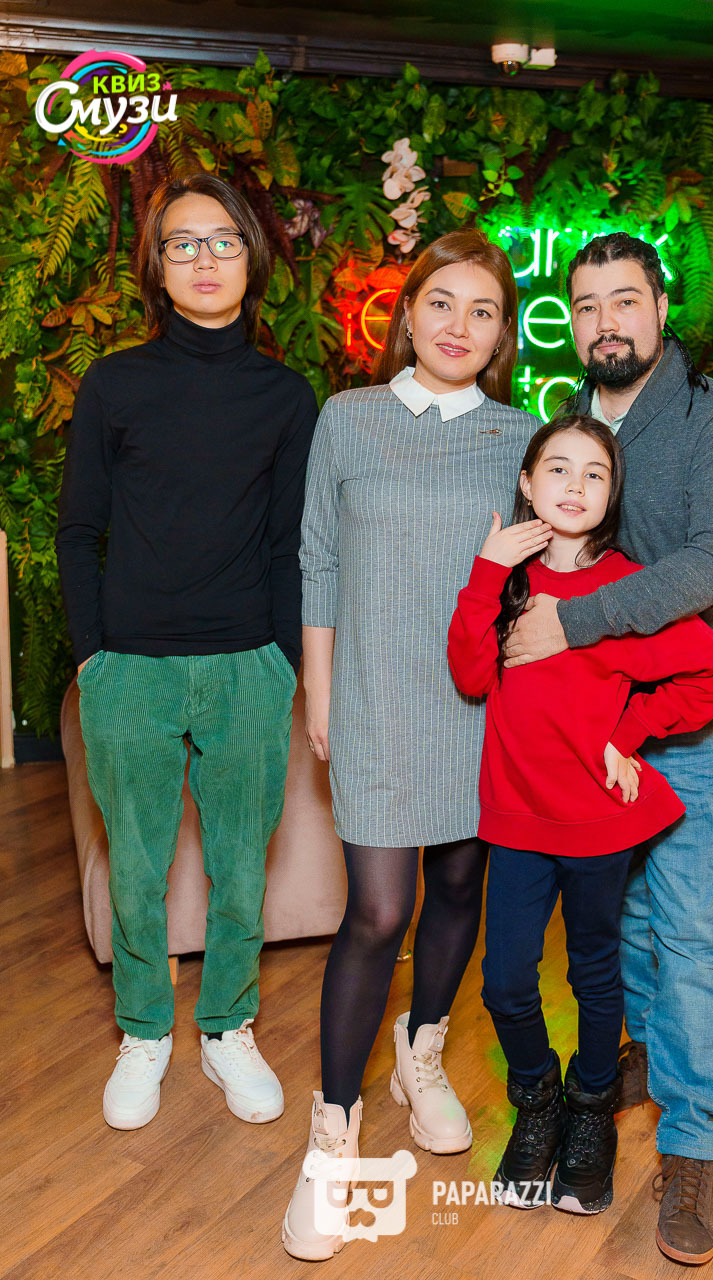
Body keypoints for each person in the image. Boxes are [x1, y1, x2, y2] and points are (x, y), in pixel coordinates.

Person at [502, 233, 713, 1263]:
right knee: (623, 915)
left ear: (660, 307)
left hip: (684, 719)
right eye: (585, 306)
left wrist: (573, 624)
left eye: (623, 300)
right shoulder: (567, 425)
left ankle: (690, 1144)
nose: (604, 322)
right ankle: (649, 1054)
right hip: (583, 727)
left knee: (687, 922)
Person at [282, 229, 541, 1261]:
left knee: (461, 885)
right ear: (408, 312)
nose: (458, 326)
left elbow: (544, 575)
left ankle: (420, 1051)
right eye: (442, 302)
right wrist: (320, 687)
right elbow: (317, 556)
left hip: (481, 705)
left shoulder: (520, 437)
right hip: (377, 699)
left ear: (503, 334)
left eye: (483, 311)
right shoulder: (347, 417)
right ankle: (333, 1132)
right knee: (379, 910)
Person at [56, 173, 317, 1131]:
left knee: (242, 867)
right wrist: (94, 655)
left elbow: (289, 544)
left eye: (223, 241)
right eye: (182, 244)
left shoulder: (286, 396)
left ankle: (227, 1027)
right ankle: (144, 1031)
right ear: (157, 268)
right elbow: (78, 529)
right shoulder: (115, 383)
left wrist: (283, 662)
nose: (204, 259)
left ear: (252, 256)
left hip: (247, 667)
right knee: (136, 868)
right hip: (130, 668)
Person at [448, 414, 713, 1218]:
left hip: (594, 826)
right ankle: (536, 1103)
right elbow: (470, 674)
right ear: (525, 482)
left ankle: (588, 1113)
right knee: (506, 982)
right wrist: (484, 571)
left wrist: (627, 732)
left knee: (593, 974)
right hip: (515, 819)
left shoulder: (624, 588)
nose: (574, 486)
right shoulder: (505, 579)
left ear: (612, 496)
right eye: (557, 468)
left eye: (594, 474)